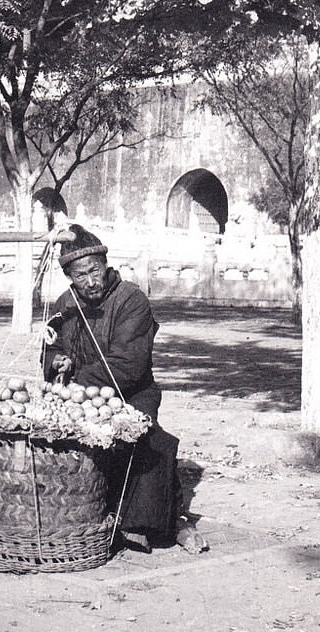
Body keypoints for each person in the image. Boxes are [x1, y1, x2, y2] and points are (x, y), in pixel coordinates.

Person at [42, 223, 208, 554]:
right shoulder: (64, 303)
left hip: (132, 394)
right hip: (81, 396)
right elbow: (51, 346)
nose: (89, 282)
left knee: (148, 445)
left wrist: (79, 382)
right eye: (80, 276)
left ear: (105, 265)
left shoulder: (131, 299)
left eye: (94, 271)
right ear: (69, 277)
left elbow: (128, 364)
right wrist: (57, 361)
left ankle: (151, 522)